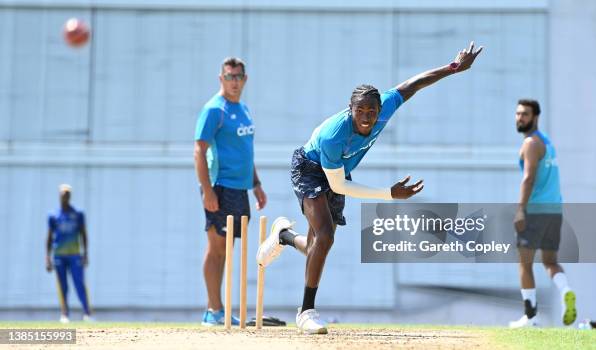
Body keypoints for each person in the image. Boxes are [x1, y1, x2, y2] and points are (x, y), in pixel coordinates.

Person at [257, 42, 484, 334]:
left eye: (372, 111)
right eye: (360, 111)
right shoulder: (333, 135)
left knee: (318, 245)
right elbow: (338, 184)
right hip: (311, 168)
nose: (366, 117)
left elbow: (413, 85)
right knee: (325, 237)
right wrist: (389, 194)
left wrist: (453, 67)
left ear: (380, 109)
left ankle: (284, 236)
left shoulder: (386, 106)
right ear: (350, 110)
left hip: (339, 170)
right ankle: (306, 311)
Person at [194, 57, 267, 326]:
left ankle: (218, 310)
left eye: (238, 77)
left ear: (245, 79)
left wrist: (256, 184)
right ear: (221, 79)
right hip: (220, 186)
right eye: (229, 77)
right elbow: (198, 151)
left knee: (228, 249)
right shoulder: (215, 110)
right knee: (216, 249)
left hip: (241, 189)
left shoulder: (244, 109)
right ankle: (213, 310)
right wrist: (207, 191)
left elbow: (246, 153)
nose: (234, 82)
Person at [509, 99, 576, 328]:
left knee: (524, 263)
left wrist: (520, 210)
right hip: (554, 211)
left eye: (524, 114)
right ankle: (566, 290)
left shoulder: (530, 143)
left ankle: (530, 317)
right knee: (550, 262)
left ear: (535, 117)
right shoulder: (547, 142)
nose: (520, 118)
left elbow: (528, 178)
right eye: (518, 114)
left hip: (535, 212)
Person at [46, 184, 92, 323]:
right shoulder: (53, 215)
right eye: (63, 194)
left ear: (70, 196)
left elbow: (83, 234)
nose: (65, 196)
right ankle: (65, 314)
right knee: (62, 286)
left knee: (79, 283)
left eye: (68, 194)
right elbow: (49, 237)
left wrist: (85, 253)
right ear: (59, 195)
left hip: (74, 254)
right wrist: (47, 257)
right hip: (59, 254)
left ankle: (87, 313)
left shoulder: (78, 214)